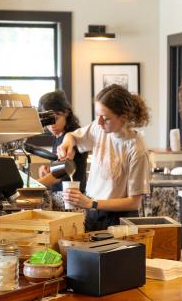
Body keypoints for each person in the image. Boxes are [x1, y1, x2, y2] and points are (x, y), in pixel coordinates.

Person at [56, 84, 150, 231]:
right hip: (93, 213)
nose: (99, 122)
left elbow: (134, 202)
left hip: (120, 219)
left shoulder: (136, 149)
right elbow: (72, 136)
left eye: (105, 118)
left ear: (123, 117)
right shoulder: (99, 128)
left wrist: (91, 203)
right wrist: (66, 143)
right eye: (97, 115)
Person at [35, 91, 88, 198]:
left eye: (56, 118)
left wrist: (32, 185)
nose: (52, 125)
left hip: (72, 199)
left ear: (66, 113)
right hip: (61, 195)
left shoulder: (72, 137)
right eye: (48, 120)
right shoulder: (58, 136)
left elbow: (60, 174)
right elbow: (60, 169)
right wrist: (48, 169)